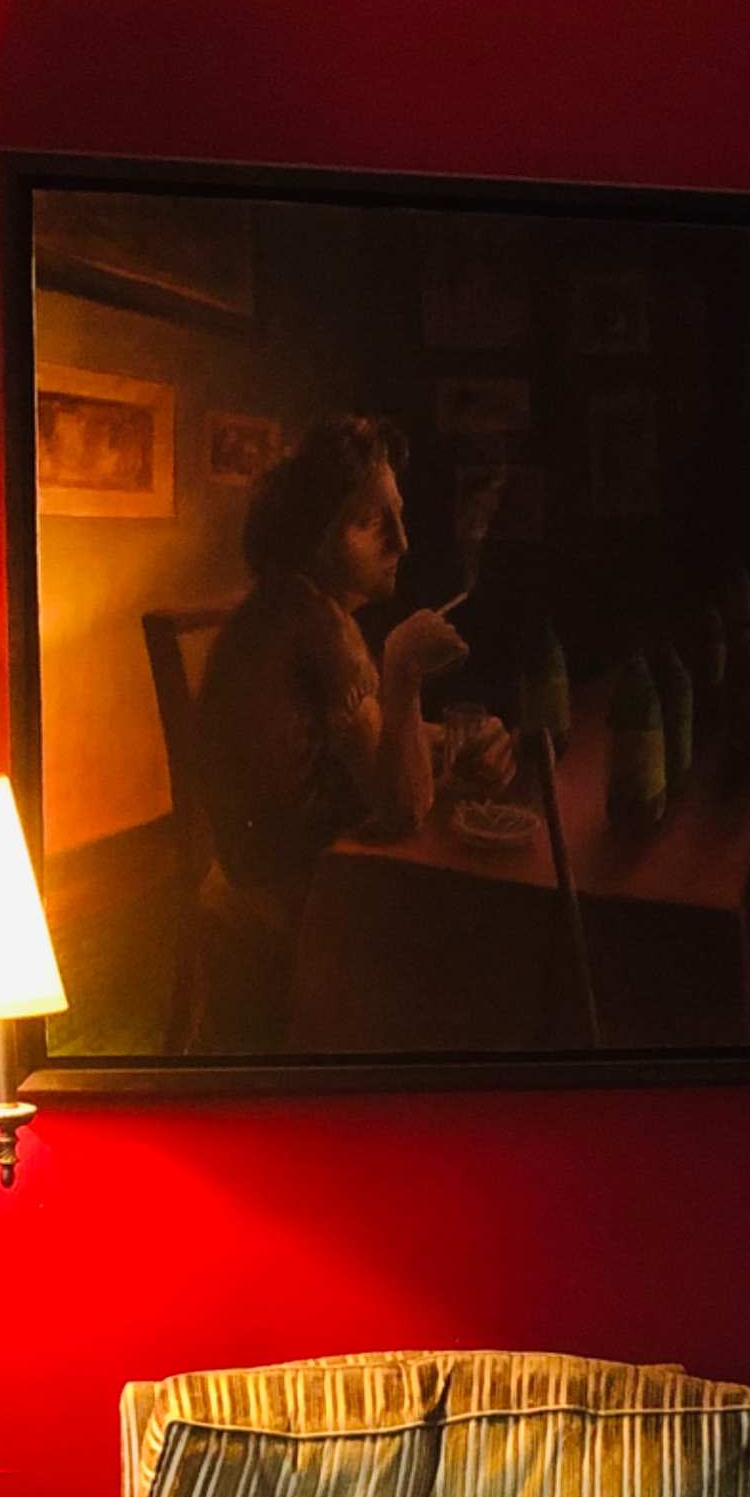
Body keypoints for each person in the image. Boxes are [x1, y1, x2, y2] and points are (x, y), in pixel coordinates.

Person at [182, 417, 509, 1046]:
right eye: (373, 522)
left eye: (400, 516)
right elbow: (402, 806)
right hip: (288, 894)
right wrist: (405, 668)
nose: (403, 542)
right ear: (317, 534)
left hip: (258, 867)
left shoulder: (295, 603)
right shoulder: (319, 625)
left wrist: (461, 739)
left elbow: (370, 734)